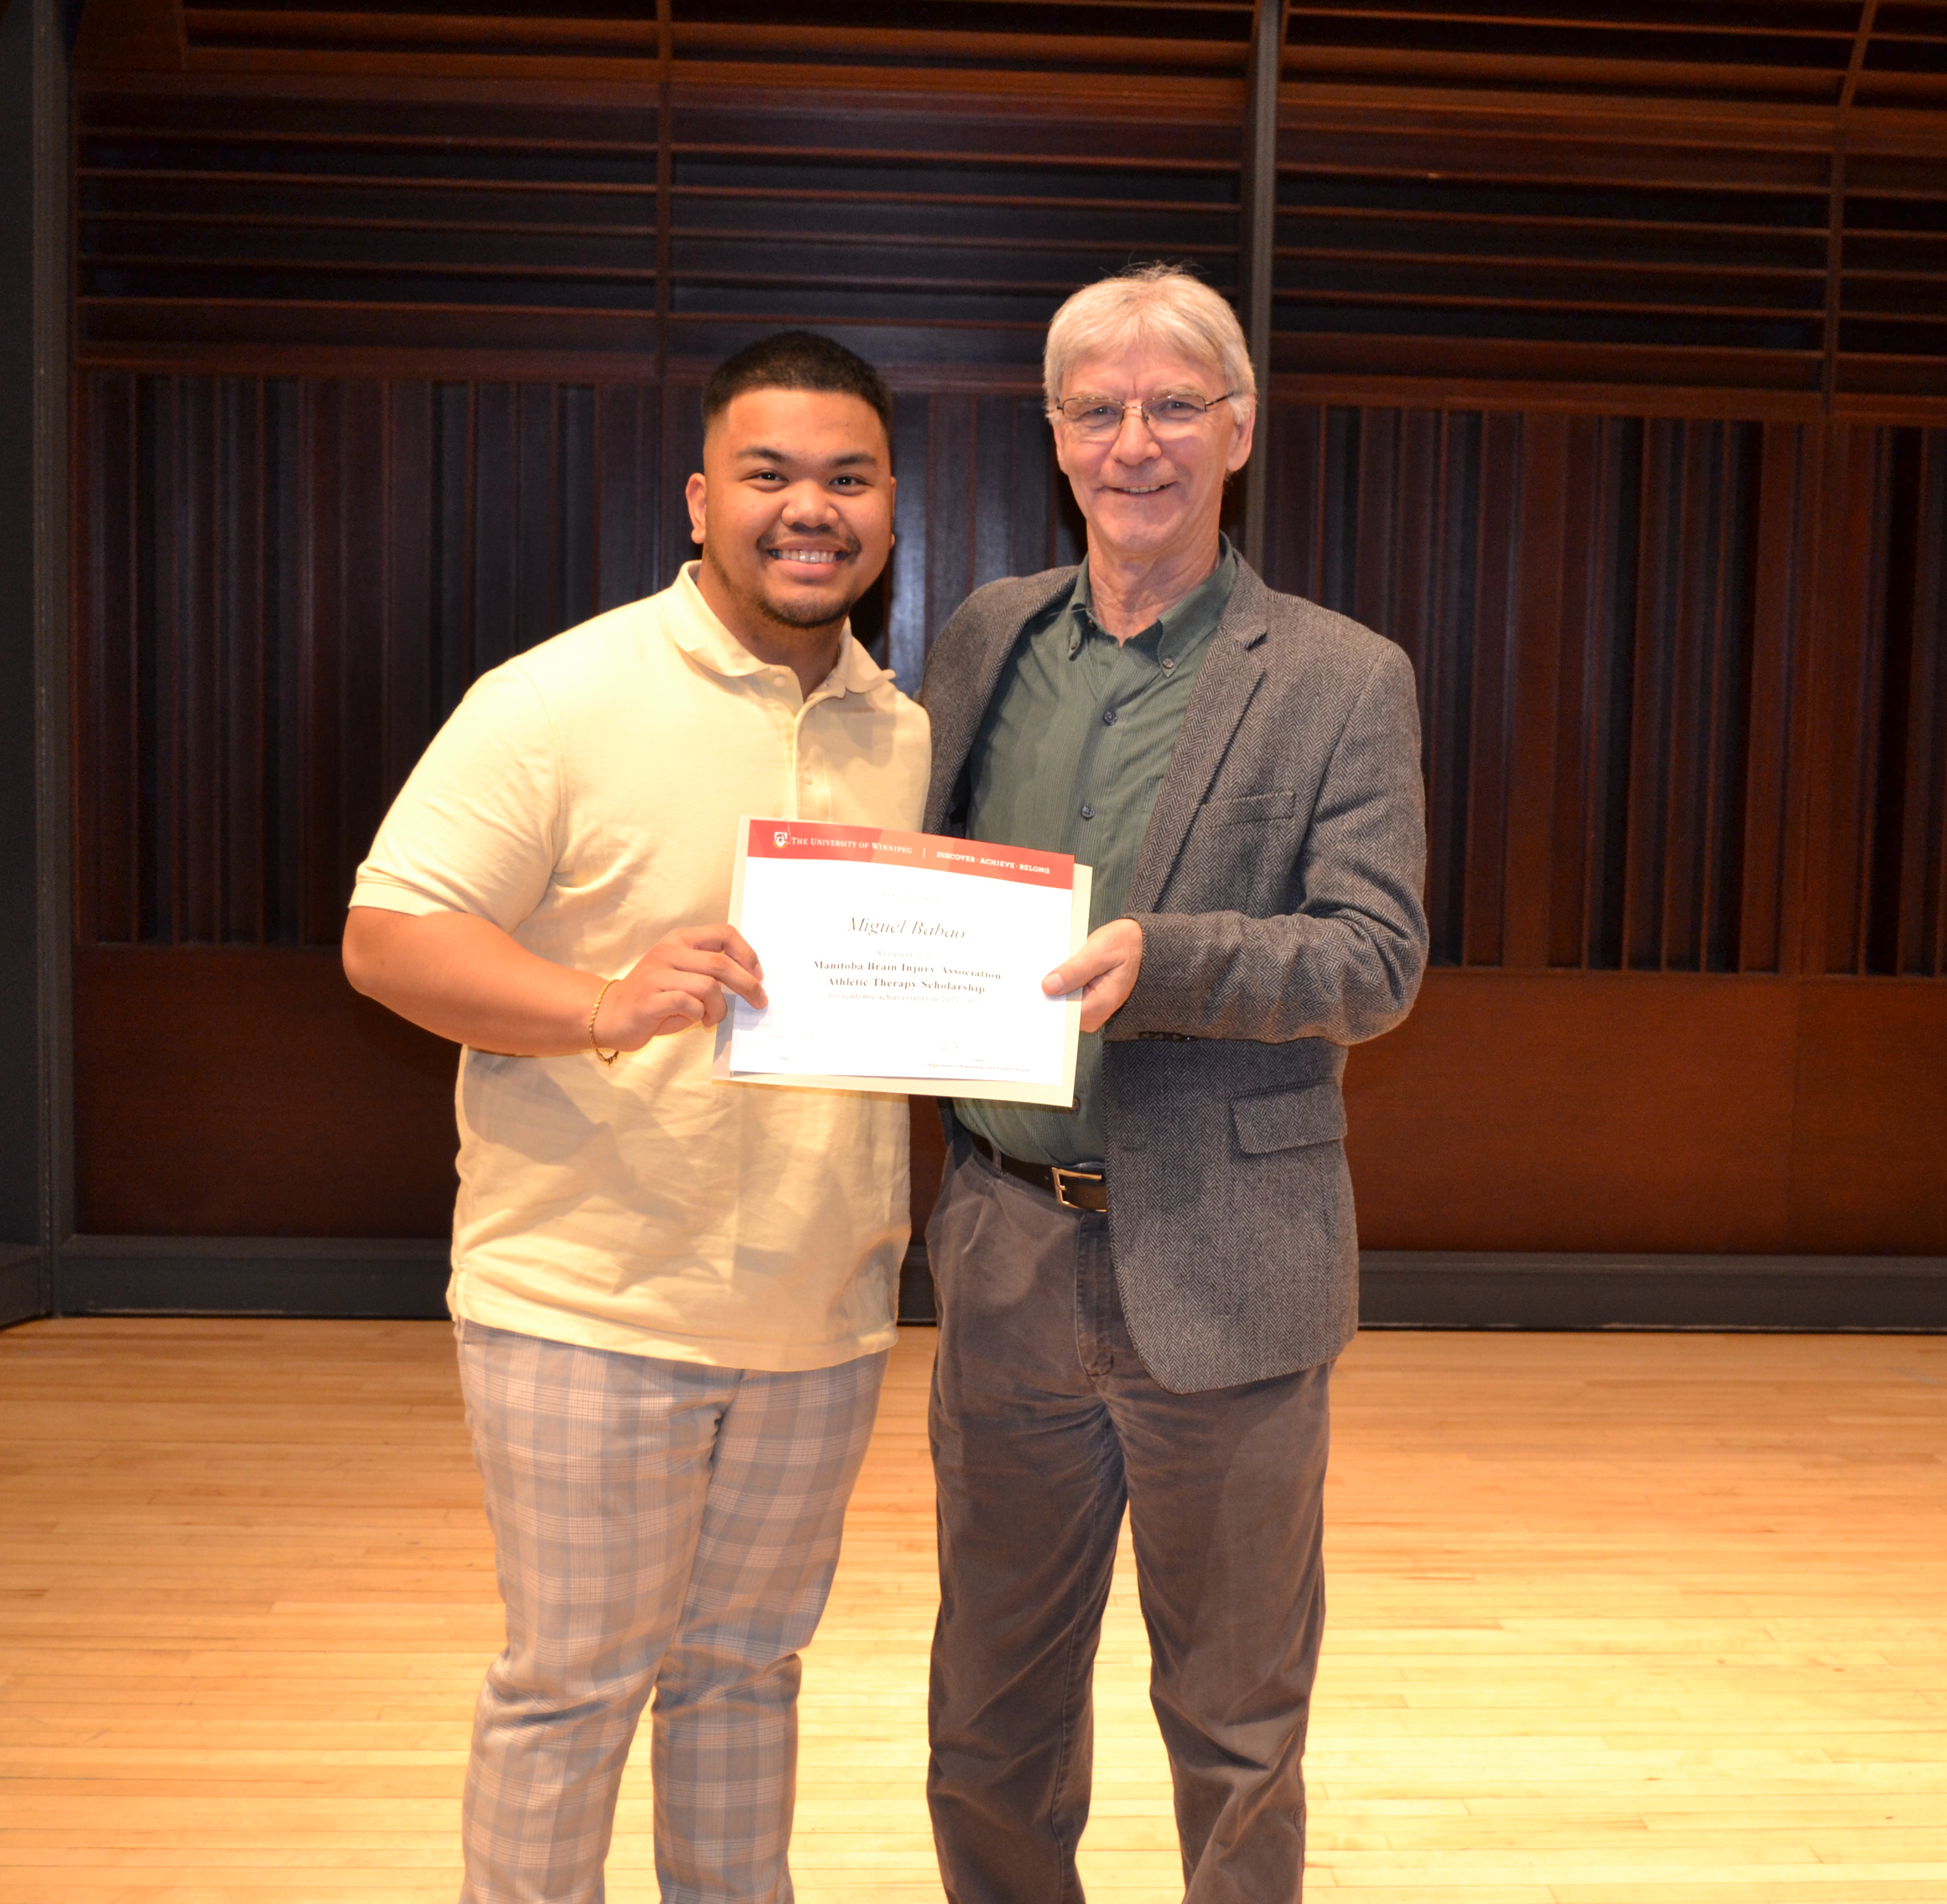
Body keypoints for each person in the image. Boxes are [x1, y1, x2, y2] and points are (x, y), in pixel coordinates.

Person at [341, 330, 927, 1904]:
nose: (811, 509)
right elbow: (389, 935)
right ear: (700, 500)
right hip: (587, 1302)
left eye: (848, 478)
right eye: (771, 474)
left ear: (889, 508)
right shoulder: (558, 697)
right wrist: (598, 1002)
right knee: (575, 1685)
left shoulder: (904, 734)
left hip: (820, 1306)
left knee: (746, 1675)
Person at [913, 262, 1430, 1902]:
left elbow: (1376, 958)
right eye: (1099, 411)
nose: (1137, 442)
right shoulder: (988, 637)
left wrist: (1174, 961)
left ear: (1239, 430)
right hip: (1006, 1253)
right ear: (1056, 438)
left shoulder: (1346, 674)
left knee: (1235, 1731)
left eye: (1173, 406)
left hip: (1228, 1256)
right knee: (987, 1724)